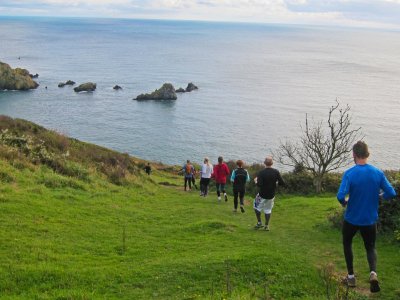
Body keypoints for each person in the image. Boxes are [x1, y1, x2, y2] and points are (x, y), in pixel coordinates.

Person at [337, 141, 396, 293]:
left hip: (351, 219)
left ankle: (350, 277)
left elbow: (340, 195)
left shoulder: (349, 173)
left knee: (347, 243)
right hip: (370, 219)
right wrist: (379, 196)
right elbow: (392, 193)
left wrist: (344, 202)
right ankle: (373, 273)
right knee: (370, 247)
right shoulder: (377, 173)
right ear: (367, 154)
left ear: (354, 155)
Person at [253, 156, 285, 231]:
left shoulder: (261, 172)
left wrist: (255, 181)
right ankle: (266, 226)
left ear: (264, 163)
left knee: (256, 207)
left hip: (262, 194)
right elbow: (282, 183)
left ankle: (259, 222)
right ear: (272, 163)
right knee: (268, 210)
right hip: (271, 195)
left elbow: (259, 185)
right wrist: (276, 183)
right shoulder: (276, 172)